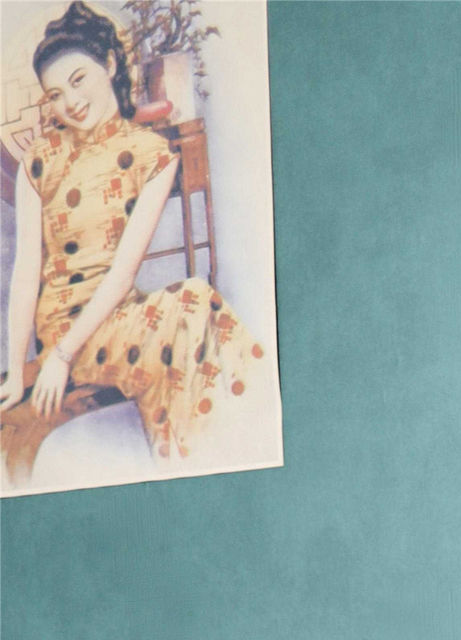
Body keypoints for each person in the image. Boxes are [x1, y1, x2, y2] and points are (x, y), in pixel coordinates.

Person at [0, 3, 266, 475]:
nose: (70, 103)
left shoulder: (154, 155)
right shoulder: (39, 160)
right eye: (56, 94)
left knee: (195, 313)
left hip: (119, 318)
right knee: (195, 307)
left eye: (78, 80)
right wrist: (26, 368)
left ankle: (196, 459)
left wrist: (63, 355)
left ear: (109, 64)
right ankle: (207, 462)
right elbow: (24, 274)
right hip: (64, 333)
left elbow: (123, 273)